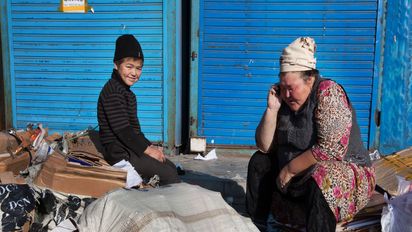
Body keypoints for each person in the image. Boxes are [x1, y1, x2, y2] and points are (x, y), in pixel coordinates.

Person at [245, 37, 376, 231]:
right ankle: (257, 225)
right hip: (300, 175)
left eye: (291, 88)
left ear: (310, 79)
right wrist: (272, 110)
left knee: (324, 176)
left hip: (345, 173)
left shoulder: (328, 93)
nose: (287, 94)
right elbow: (264, 146)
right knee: (260, 161)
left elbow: (330, 150)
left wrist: (289, 169)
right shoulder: (283, 99)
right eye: (283, 87)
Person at [97, 34, 180, 186]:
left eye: (138, 68)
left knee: (170, 166)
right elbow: (124, 131)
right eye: (129, 67)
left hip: (128, 147)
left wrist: (149, 146)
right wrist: (148, 151)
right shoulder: (113, 92)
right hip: (119, 153)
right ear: (116, 65)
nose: (134, 73)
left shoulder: (126, 92)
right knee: (169, 175)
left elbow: (135, 130)